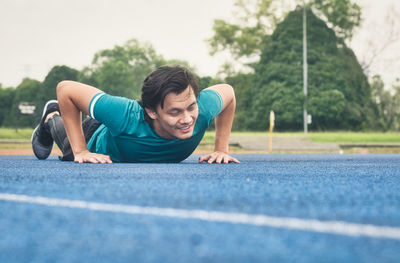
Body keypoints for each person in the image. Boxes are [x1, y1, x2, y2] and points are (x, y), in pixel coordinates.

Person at [31, 65, 239, 164]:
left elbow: (228, 92)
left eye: (190, 108)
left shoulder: (200, 109)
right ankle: (51, 116)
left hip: (116, 129)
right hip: (96, 133)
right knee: (70, 151)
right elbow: (66, 89)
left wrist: (221, 148)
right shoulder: (124, 114)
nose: (186, 119)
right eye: (175, 112)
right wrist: (81, 150)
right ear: (151, 111)